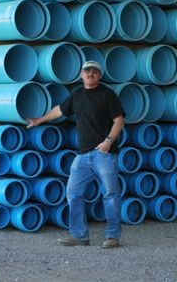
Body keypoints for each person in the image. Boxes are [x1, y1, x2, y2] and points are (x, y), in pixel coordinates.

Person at [26, 60, 125, 249]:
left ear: (99, 75)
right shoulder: (77, 95)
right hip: (83, 155)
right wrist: (40, 120)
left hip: (104, 154)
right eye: (87, 71)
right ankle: (79, 236)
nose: (90, 74)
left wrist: (107, 142)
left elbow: (119, 121)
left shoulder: (107, 94)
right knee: (73, 193)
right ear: (81, 74)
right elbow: (59, 110)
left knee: (110, 194)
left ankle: (113, 236)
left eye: (94, 71)